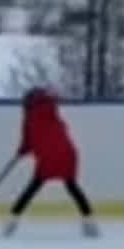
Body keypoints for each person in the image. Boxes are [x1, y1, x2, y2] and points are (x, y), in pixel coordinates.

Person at [8, 84, 97, 237]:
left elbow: (27, 142)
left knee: (32, 188)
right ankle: (90, 223)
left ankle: (11, 222)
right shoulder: (51, 108)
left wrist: (21, 151)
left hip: (47, 157)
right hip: (67, 153)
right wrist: (48, 95)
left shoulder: (29, 118)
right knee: (72, 186)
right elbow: (52, 101)